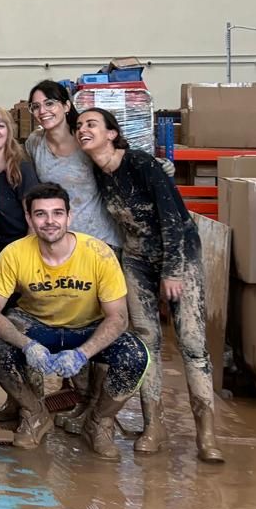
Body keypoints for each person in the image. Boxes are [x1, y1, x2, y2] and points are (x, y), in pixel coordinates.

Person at [78, 108, 223, 464]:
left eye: (91, 124)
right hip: (137, 260)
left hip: (179, 257)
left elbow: (173, 217)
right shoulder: (100, 175)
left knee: (191, 343)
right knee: (147, 341)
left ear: (112, 133)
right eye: (79, 125)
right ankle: (153, 425)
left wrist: (172, 270)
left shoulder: (141, 164)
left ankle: (207, 434)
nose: (83, 129)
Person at [0, 182, 150, 460]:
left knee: (135, 356)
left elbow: (118, 318)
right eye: (41, 214)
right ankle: (34, 413)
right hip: (36, 325)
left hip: (87, 328)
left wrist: (83, 353)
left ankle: (99, 422)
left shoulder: (99, 253)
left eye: (57, 213)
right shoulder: (14, 253)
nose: (50, 221)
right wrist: (26, 345)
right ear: (29, 219)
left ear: (69, 217)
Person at [23, 80, 121, 250]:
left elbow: (119, 157)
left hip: (99, 239)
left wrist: (156, 165)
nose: (42, 111)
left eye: (49, 104)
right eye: (36, 106)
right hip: (59, 241)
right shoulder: (34, 143)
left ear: (67, 106)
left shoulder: (85, 138)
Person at [0, 105, 40, 257]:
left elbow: (34, 217)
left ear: (9, 131)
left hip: (17, 248)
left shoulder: (21, 168)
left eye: (0, 125)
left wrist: (24, 257)